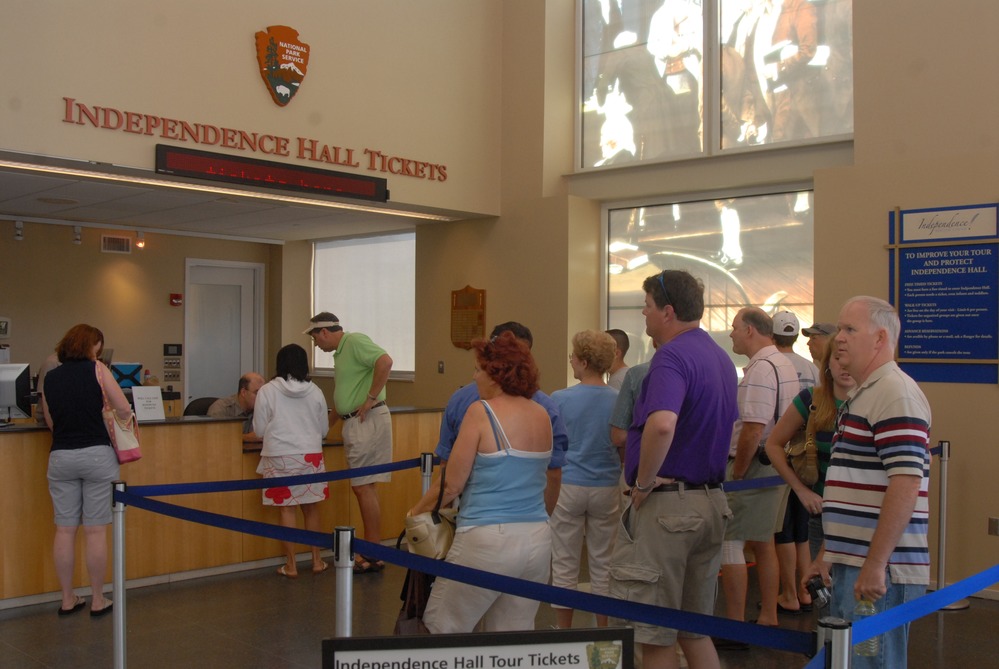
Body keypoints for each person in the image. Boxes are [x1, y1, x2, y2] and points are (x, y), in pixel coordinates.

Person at [608, 269, 737, 669]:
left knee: (655, 635)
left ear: (667, 311)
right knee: (693, 631)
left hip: (670, 510)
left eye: (647, 307)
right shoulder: (720, 358)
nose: (643, 316)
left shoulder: (671, 357)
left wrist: (642, 483)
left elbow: (662, 423)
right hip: (711, 502)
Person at [804, 297, 931, 669]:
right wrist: (828, 554)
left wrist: (876, 564)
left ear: (879, 339)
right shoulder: (863, 394)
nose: (837, 338)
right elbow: (855, 485)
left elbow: (905, 484)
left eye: (849, 330)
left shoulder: (895, 394)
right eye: (839, 328)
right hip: (855, 564)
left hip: (878, 572)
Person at [411, 332, 552, 633]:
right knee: (512, 637)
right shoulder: (542, 414)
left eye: (478, 369)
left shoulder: (481, 412)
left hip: (487, 538)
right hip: (537, 539)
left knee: (442, 627)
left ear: (496, 372)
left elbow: (451, 484)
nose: (474, 377)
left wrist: (415, 513)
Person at [41, 324, 130, 617]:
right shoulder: (98, 370)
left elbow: (51, 421)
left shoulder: (50, 378)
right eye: (98, 348)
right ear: (93, 347)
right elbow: (124, 409)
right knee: (94, 531)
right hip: (96, 456)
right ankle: (96, 599)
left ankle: (67, 599)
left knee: (64, 529)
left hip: (61, 456)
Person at [719, 307, 798, 636]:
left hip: (754, 466)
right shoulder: (783, 364)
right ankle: (767, 615)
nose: (732, 333)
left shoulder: (762, 369)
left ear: (751, 330)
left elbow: (753, 427)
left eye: (735, 327)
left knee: (730, 541)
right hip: (775, 466)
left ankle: (735, 626)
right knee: (764, 541)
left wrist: (737, 471)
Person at [435, 321, 568, 514]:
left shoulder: (466, 403)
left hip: (479, 515)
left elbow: (447, 471)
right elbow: (553, 473)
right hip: (528, 516)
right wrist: (543, 516)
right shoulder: (546, 408)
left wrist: (427, 514)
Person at [305, 312, 392, 573]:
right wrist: (323, 428)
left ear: (324, 332)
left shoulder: (353, 341)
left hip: (366, 420)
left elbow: (385, 362)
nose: (317, 345)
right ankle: (372, 549)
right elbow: (344, 397)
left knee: (364, 487)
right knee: (364, 487)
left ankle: (372, 551)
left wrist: (370, 397)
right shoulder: (341, 353)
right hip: (353, 420)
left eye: (315, 339)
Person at [550, 330, 620, 628]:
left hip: (568, 486)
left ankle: (564, 633)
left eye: (573, 356)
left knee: (564, 562)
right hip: (607, 486)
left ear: (583, 361)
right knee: (603, 565)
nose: (571, 361)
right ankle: (602, 634)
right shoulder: (619, 399)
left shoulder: (560, 399)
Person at [764, 340, 855, 564]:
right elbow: (773, 445)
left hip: (859, 517)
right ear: (827, 364)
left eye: (849, 359)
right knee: (824, 590)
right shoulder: (812, 399)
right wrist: (801, 490)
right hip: (821, 515)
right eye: (837, 359)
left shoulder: (873, 401)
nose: (844, 366)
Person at [252, 344, 330, 578]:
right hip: (310, 455)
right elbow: (324, 429)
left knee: (287, 510)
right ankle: (317, 560)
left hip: (279, 455)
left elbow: (258, 430)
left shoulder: (267, 391)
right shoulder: (315, 391)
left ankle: (291, 565)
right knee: (311, 507)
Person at [770, 309, 818, 611]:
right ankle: (806, 590)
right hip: (808, 454)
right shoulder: (811, 368)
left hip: (783, 455)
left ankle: (788, 594)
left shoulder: (771, 365)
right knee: (803, 531)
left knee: (783, 530)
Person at [208, 372, 265, 441]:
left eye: (264, 393)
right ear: (243, 392)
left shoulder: (263, 409)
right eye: (257, 393)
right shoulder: (221, 408)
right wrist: (246, 437)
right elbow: (213, 437)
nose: (262, 398)